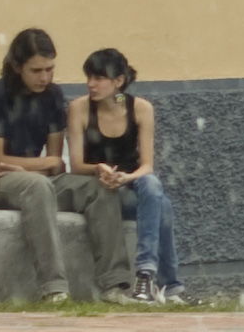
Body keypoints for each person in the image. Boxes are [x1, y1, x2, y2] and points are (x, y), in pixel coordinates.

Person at [0, 27, 131, 301]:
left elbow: (58, 164)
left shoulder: (53, 96)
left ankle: (114, 285)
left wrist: (37, 165)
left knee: (99, 188)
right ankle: (54, 288)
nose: (45, 77)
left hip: (39, 179)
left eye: (49, 69)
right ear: (17, 66)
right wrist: (41, 165)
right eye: (36, 70)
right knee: (37, 185)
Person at [71, 48, 184, 303]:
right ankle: (169, 286)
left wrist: (126, 178)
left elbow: (146, 166)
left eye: (99, 78)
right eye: (89, 77)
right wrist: (99, 168)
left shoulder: (140, 109)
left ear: (118, 81)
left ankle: (146, 273)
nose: (91, 84)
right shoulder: (79, 109)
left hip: (134, 186)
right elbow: (76, 165)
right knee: (162, 205)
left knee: (152, 186)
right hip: (100, 190)